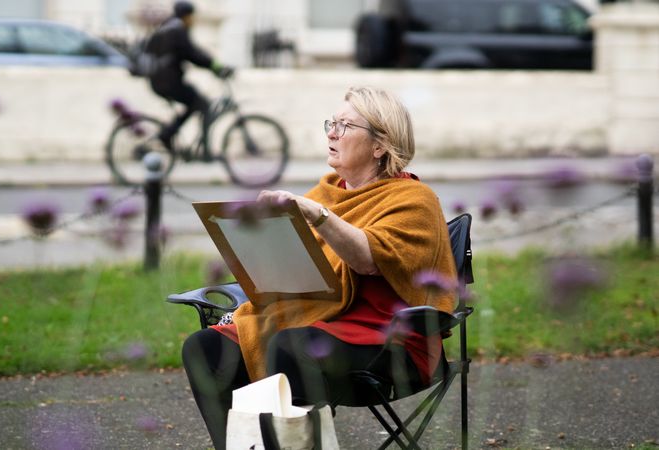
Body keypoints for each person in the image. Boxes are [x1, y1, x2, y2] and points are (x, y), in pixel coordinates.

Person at [182, 86, 458, 450]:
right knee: (204, 348)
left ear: (380, 145)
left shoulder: (414, 200)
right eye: (332, 123)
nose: (331, 133)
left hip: (389, 339)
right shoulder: (328, 191)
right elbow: (300, 271)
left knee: (292, 344)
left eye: (345, 126)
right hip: (318, 321)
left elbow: (369, 259)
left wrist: (317, 216)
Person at [145, 1, 234, 149]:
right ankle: (172, 137)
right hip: (167, 82)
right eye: (192, 17)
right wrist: (215, 66)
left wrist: (212, 65)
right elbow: (192, 54)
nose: (193, 20)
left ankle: (171, 135)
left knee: (196, 103)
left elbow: (191, 53)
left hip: (162, 80)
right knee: (200, 103)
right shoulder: (177, 30)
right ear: (186, 16)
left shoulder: (168, 27)